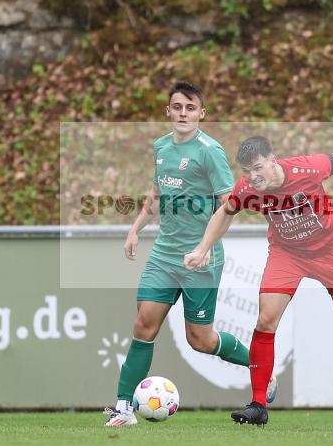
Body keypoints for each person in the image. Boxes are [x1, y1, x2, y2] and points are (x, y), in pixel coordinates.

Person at [105, 84, 275, 426]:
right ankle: (124, 408)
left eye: (190, 107)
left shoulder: (209, 151)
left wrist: (204, 248)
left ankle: (260, 370)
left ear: (201, 113)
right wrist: (136, 228)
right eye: (177, 107)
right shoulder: (161, 147)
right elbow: (156, 193)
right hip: (164, 257)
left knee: (200, 339)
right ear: (168, 111)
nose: (183, 113)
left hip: (201, 260)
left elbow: (231, 203)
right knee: (143, 324)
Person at [184, 135, 333, 426]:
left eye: (258, 167)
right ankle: (258, 405)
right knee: (266, 319)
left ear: (273, 160)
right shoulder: (249, 188)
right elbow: (225, 213)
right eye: (248, 171)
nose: (253, 176)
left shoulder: (307, 169)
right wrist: (202, 248)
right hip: (286, 254)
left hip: (328, 251)